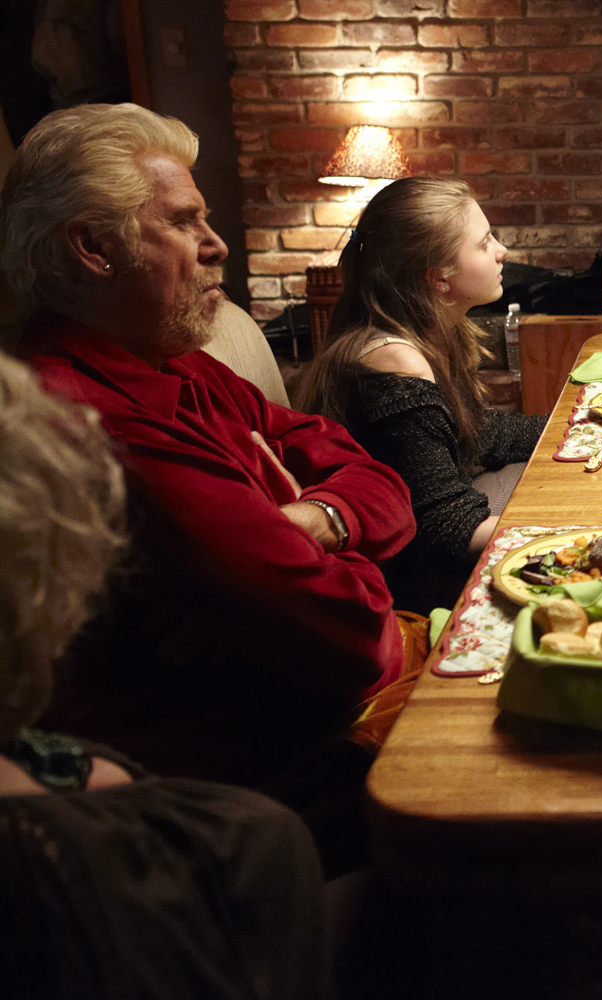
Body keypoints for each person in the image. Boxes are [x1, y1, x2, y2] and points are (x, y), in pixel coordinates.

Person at [0, 103, 418, 869]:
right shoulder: (89, 420)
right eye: (184, 222)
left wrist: (316, 520)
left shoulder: (174, 359)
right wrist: (358, 570)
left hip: (320, 717)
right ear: (92, 248)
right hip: (248, 792)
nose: (216, 244)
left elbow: (381, 480)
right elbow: (353, 638)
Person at [0, 353, 330, 999]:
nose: (212, 246)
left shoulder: (196, 370)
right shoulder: (218, 841)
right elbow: (346, 633)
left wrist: (329, 518)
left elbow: (339, 454)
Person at [295, 177, 547, 614]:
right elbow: (449, 528)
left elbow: (476, 434)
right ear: (439, 278)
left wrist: (576, 426)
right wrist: (568, 530)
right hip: (411, 588)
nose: (502, 251)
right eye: (485, 242)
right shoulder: (395, 363)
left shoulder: (424, 333)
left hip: (431, 556)